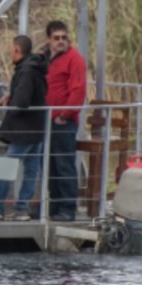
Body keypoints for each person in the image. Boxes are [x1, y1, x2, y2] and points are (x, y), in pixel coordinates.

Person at [0, 35, 49, 219]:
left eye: (11, 48)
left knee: (6, 167)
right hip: (37, 128)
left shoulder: (26, 71)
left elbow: (22, 101)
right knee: (31, 171)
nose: (10, 51)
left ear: (16, 49)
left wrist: (8, 107)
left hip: (23, 129)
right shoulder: (37, 68)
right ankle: (21, 208)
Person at [43, 20, 88, 221]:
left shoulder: (75, 59)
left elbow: (78, 90)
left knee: (64, 164)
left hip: (63, 121)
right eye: (56, 38)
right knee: (50, 165)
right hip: (45, 120)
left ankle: (68, 208)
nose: (61, 41)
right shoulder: (43, 58)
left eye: (64, 37)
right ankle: (53, 206)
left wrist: (65, 114)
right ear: (49, 40)